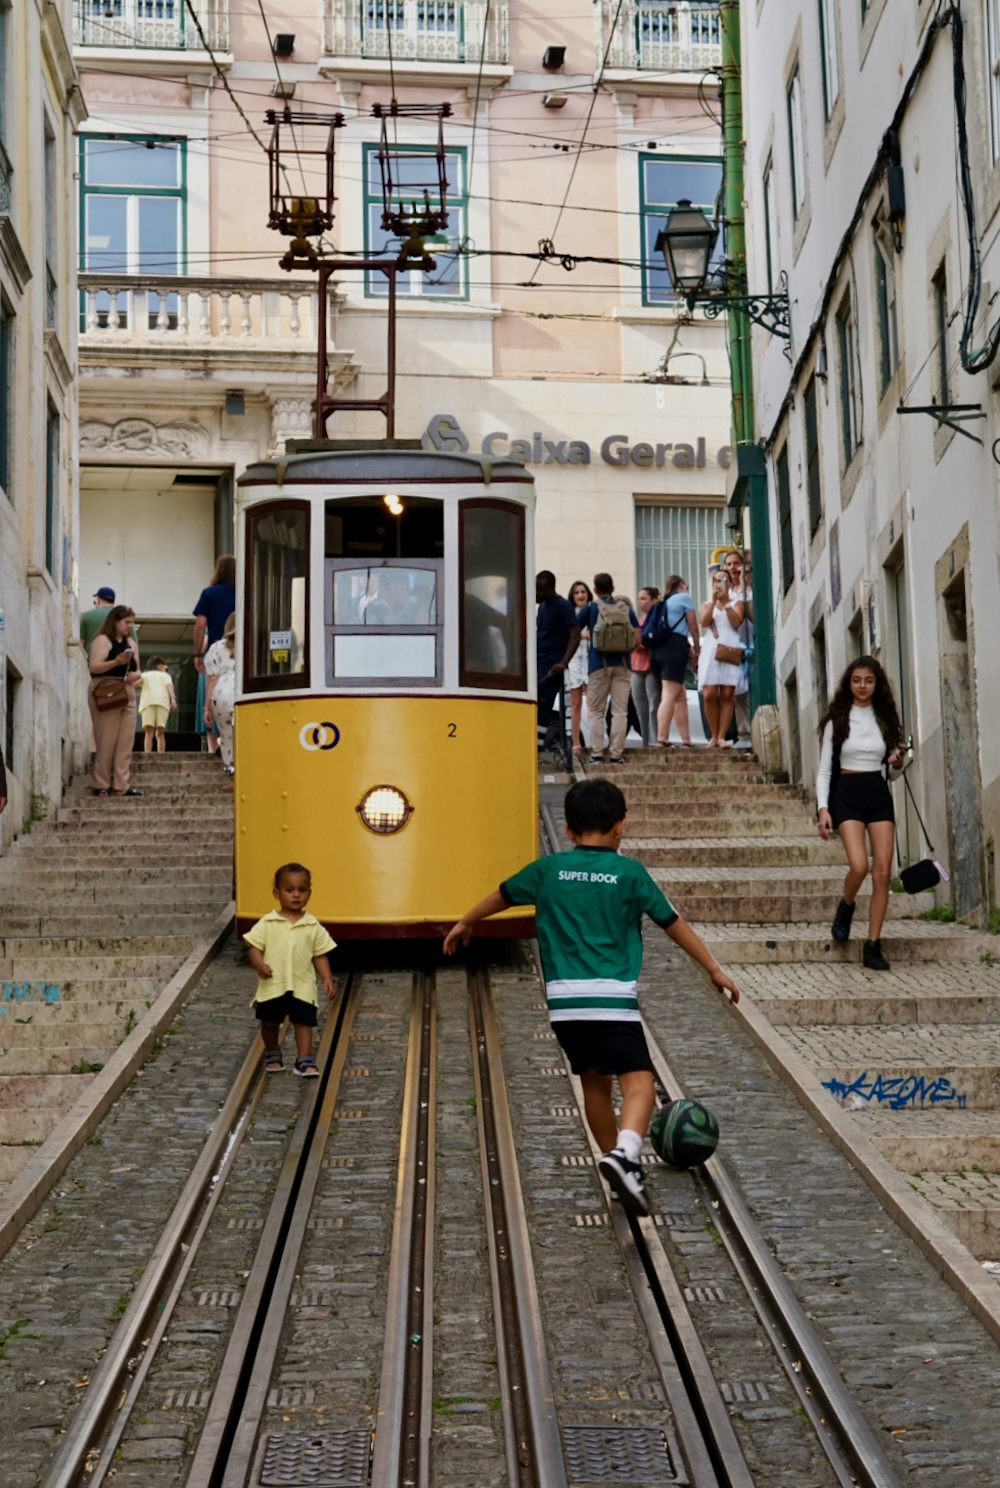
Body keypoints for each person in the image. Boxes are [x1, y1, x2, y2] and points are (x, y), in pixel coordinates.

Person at [443, 778, 740, 1216]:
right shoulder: (630, 873)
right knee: (638, 1083)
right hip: (612, 1000)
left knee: (593, 1085)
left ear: (567, 830)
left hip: (565, 1006)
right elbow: (671, 922)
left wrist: (465, 922)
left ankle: (620, 1168)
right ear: (620, 827)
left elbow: (502, 896)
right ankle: (625, 1155)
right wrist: (713, 968)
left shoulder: (547, 870)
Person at [816, 657, 907, 971]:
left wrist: (898, 764)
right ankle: (847, 904)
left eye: (869, 680)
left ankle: (873, 945)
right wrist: (823, 808)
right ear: (849, 683)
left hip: (878, 794)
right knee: (859, 865)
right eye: (857, 680)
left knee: (882, 872)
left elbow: (893, 773)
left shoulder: (886, 719)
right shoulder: (837, 720)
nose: (863, 686)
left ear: (876, 683)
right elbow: (825, 769)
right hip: (847, 795)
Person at [244, 862, 338, 1077]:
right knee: (269, 1023)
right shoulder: (268, 922)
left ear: (309, 894)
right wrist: (260, 965)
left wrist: (327, 977)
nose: (296, 895)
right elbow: (255, 948)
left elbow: (319, 954)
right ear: (277, 893)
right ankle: (272, 1050)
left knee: (304, 1022)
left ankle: (304, 1059)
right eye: (289, 890)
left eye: (302, 891)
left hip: (302, 984)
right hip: (273, 984)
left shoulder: (312, 925)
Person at [577, 574, 638, 766]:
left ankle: (596, 754)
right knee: (620, 711)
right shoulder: (625, 608)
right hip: (623, 664)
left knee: (596, 711)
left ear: (594, 590)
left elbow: (573, 629)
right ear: (613, 587)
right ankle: (616, 755)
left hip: (598, 665)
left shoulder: (590, 607)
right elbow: (638, 637)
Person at [88, 604, 143, 798]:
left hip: (126, 689)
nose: (129, 626)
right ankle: (101, 782)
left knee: (126, 740)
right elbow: (94, 666)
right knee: (107, 738)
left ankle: (121, 784)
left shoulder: (131, 644)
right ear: (116, 621)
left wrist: (135, 675)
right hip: (106, 688)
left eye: (131, 622)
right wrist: (116, 662)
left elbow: (138, 669)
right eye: (126, 622)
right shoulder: (103, 640)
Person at [644, 576, 700, 747]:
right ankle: (662, 738)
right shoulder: (684, 598)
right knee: (669, 694)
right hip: (674, 650)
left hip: (657, 651)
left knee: (679, 695)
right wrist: (697, 648)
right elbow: (693, 627)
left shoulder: (663, 603)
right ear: (681, 584)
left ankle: (686, 739)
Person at [193, 555, 236, 756]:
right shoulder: (245, 591)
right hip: (239, 652)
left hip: (215, 652)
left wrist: (197, 653)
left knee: (211, 697)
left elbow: (201, 623)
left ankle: (213, 747)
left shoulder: (209, 593)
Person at [697, 569, 746, 747]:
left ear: (729, 583)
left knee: (727, 694)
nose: (719, 583)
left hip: (730, 648)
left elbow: (736, 621)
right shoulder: (706, 603)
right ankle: (713, 734)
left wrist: (725, 602)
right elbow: (703, 621)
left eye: (723, 580)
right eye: (716, 580)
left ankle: (721, 736)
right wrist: (714, 601)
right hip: (712, 649)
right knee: (710, 694)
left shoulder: (737, 603)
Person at [536, 572, 580, 756]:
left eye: (539, 589)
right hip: (539, 660)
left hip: (553, 664)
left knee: (544, 703)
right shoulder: (542, 608)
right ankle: (534, 744)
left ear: (549, 588)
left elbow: (575, 634)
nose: (536, 593)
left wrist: (563, 662)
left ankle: (537, 746)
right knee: (536, 703)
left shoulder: (563, 606)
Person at [722, 550, 754, 744]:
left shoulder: (750, 589)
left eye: (736, 563)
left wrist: (744, 583)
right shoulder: (727, 592)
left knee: (751, 690)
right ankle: (744, 734)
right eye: (729, 564)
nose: (733, 567)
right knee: (737, 692)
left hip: (752, 643)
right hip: (733, 645)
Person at [205, 614, 237, 776]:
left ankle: (230, 768)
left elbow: (211, 678)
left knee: (226, 735)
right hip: (242, 692)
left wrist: (206, 707)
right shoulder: (252, 644)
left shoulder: (217, 647)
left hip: (222, 693)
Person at [630, 586, 661, 747]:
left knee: (653, 706)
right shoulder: (638, 619)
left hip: (651, 667)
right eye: (639, 599)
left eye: (644, 599)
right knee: (640, 708)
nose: (640, 602)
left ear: (654, 600)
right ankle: (645, 742)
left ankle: (655, 741)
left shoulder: (658, 618)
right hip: (636, 666)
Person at [566, 580, 593, 755]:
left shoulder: (593, 611)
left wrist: (582, 636)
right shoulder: (569, 614)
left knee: (593, 704)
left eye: (583, 592)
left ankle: (594, 741)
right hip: (575, 661)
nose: (580, 595)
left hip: (591, 660)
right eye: (576, 593)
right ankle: (576, 742)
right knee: (575, 704)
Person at [138, 656, 177, 754]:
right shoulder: (166, 676)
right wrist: (173, 698)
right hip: (162, 703)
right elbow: (169, 686)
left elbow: (136, 683)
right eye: (165, 667)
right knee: (160, 732)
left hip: (148, 703)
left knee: (149, 732)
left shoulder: (145, 675)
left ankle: (147, 754)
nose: (166, 669)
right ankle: (161, 754)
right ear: (160, 666)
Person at [79, 586, 116, 652]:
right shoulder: (123, 617)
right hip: (118, 660)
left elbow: (81, 645)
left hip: (92, 659)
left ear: (98, 600)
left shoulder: (86, 616)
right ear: (113, 603)